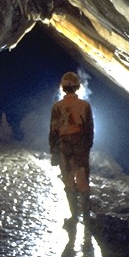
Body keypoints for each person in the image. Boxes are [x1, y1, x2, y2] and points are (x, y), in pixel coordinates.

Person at [49, 71, 94, 225]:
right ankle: (87, 219)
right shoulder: (85, 105)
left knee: (68, 182)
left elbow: (53, 131)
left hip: (65, 147)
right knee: (83, 181)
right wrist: (86, 148)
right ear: (77, 86)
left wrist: (53, 152)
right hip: (80, 146)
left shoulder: (57, 107)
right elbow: (89, 130)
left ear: (62, 88)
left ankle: (74, 217)